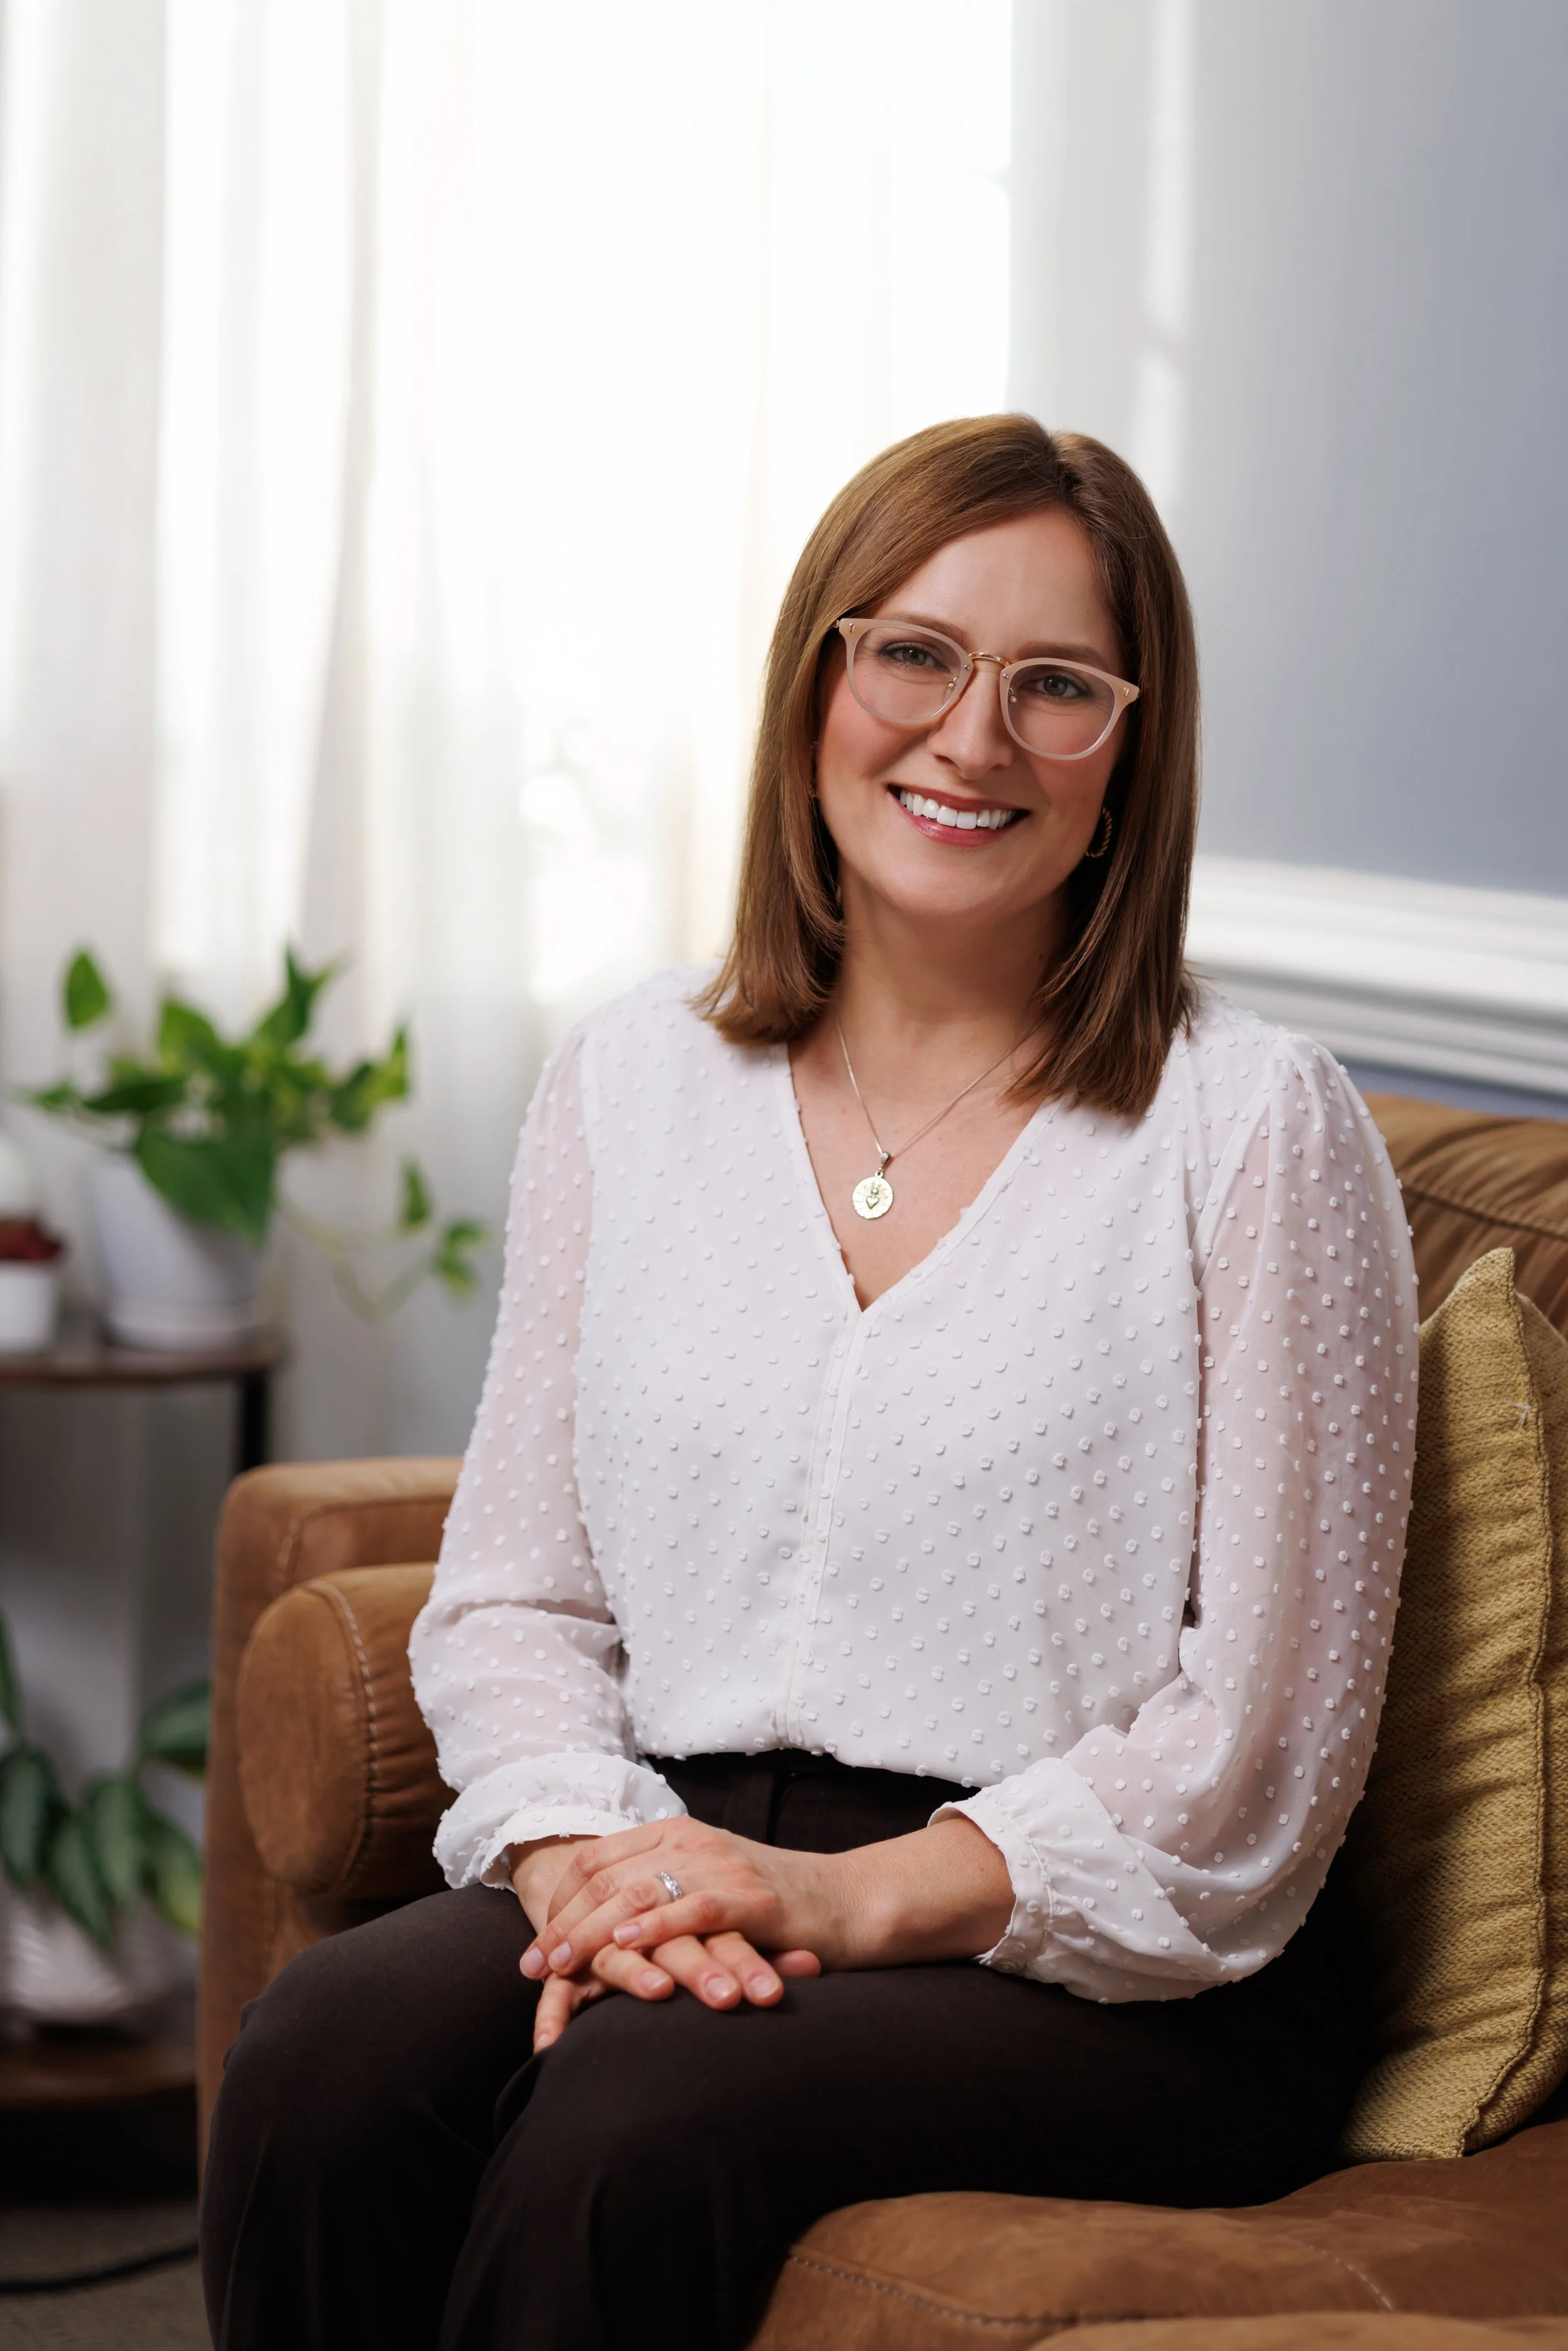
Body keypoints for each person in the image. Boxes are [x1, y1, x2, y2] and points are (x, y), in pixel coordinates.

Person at [200, 415, 1417, 2351]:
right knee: (323, 2062)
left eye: (1056, 687)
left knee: (631, 2119)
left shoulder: (1254, 1128)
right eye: (914, 654)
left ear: (1133, 752)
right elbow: (515, 1590)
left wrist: (832, 1900)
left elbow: (1253, 1743)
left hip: (1099, 1941)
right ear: (818, 683)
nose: (970, 736)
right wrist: (600, 1863)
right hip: (670, 1823)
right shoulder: (627, 1083)